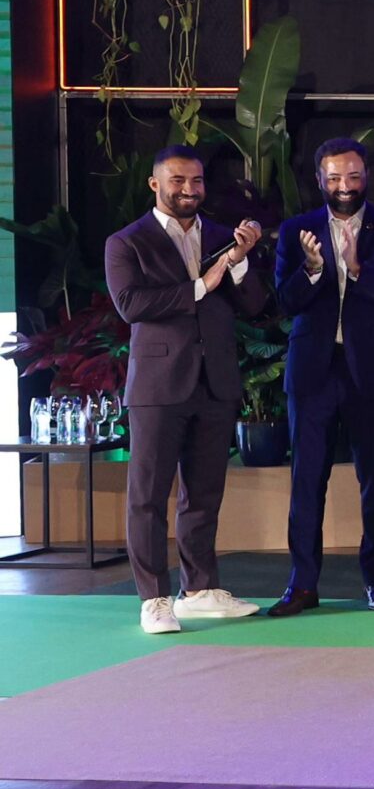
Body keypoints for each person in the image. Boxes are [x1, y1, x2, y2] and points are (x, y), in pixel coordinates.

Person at [105, 145, 269, 634]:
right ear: (155, 184)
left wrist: (239, 262)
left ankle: (199, 589)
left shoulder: (221, 236)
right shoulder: (127, 241)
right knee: (148, 496)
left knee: (204, 493)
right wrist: (201, 284)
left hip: (215, 381)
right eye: (177, 181)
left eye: (196, 181)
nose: (188, 190)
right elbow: (131, 305)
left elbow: (255, 305)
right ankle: (154, 598)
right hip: (158, 385)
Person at [268, 137, 374, 616]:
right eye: (334, 178)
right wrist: (312, 270)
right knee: (307, 481)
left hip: (372, 370)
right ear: (319, 180)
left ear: (366, 175)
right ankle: (302, 584)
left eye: (352, 176)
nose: (344, 186)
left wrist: (355, 269)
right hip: (313, 373)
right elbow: (286, 303)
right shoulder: (297, 230)